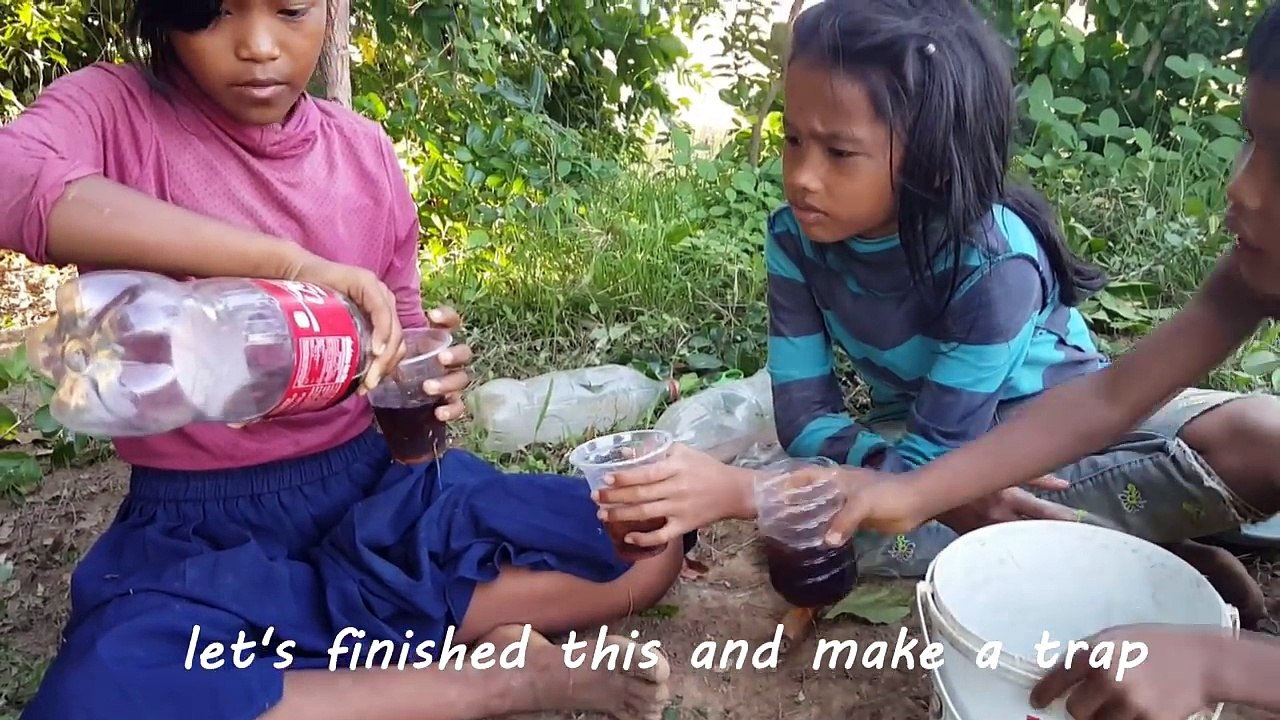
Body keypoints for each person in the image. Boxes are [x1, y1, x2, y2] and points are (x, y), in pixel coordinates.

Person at [0, 2, 682, 719]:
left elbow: (403, 330)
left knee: (645, 544)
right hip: (203, 533)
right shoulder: (117, 112)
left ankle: (349, 663)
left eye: (291, 9)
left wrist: (426, 367)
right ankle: (495, 680)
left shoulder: (362, 152)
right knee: (104, 697)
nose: (258, 46)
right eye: (216, 14)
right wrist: (285, 265)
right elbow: (13, 176)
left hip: (372, 491)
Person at [594, 0, 1276, 622]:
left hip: (1060, 438)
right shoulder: (792, 240)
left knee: (1257, 441)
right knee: (809, 549)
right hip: (941, 438)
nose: (802, 175)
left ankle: (1119, 550)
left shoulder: (993, 266)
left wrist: (757, 491)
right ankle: (1164, 556)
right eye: (793, 139)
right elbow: (809, 419)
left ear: (930, 160)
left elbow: (1020, 438)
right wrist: (904, 482)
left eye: (839, 152)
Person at [815, 4, 1280, 716]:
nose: (1241, 186)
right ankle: (1168, 558)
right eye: (1252, 140)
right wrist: (913, 494)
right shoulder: (1255, 270)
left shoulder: (997, 263)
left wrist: (1225, 662)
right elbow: (1107, 399)